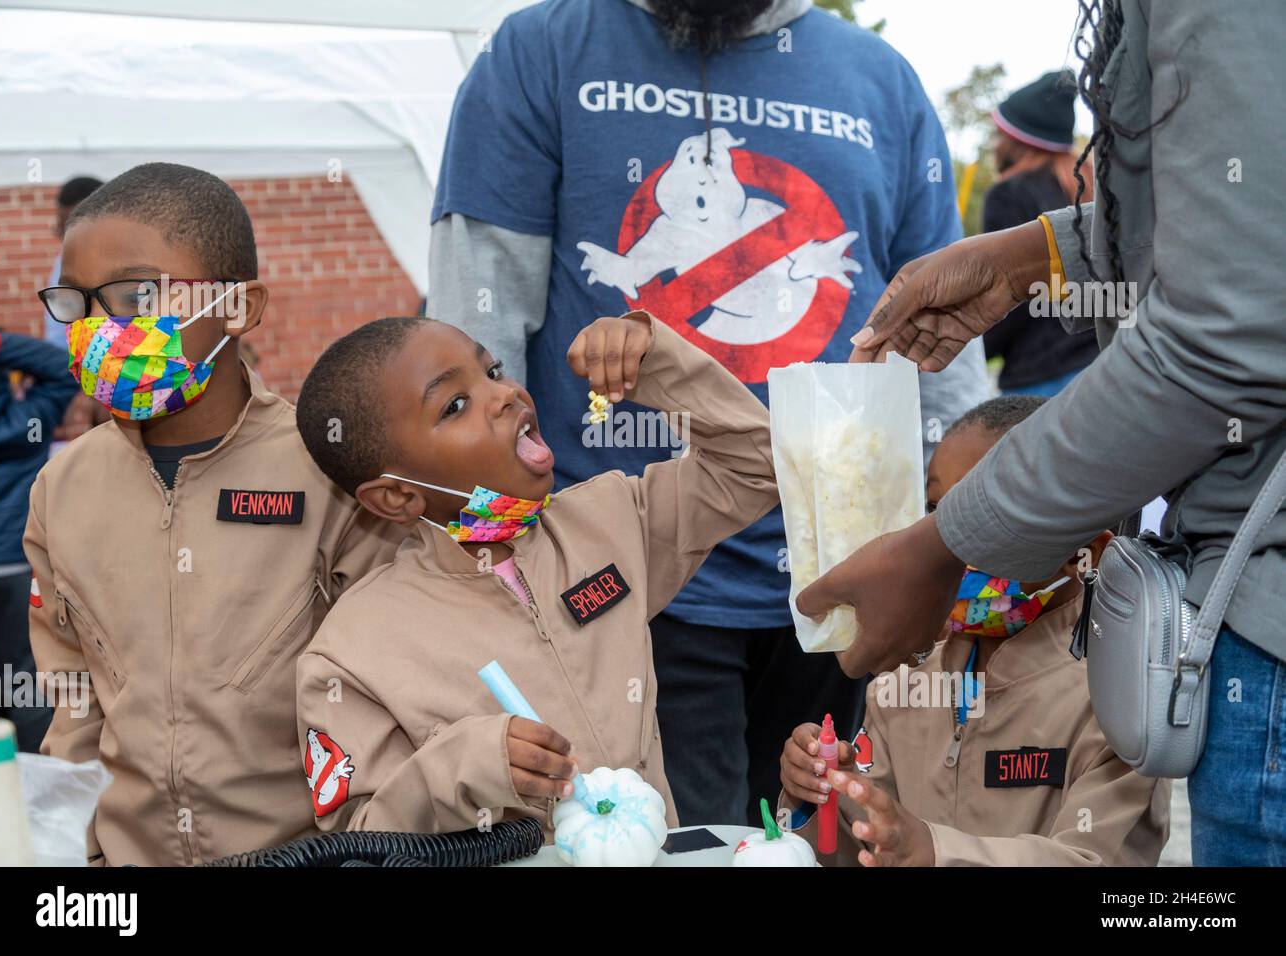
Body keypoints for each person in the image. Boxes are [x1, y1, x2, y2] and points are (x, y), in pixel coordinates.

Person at [427, 0, 989, 828]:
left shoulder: (882, 81)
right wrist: (500, 558)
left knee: (827, 841)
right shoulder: (543, 50)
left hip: (854, 577)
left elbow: (947, 351)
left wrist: (956, 539)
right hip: (633, 578)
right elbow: (477, 325)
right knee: (680, 844)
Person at [798, 0, 1286, 866]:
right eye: (936, 502)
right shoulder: (913, 682)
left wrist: (942, 546)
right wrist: (1039, 255)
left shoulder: (1095, 692)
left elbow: (1234, 329)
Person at [24, 162, 403, 866]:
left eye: (138, 295)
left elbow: (393, 695)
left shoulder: (329, 471)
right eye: (76, 302)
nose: (101, 329)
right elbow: (74, 702)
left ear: (240, 307)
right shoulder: (63, 488)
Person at [293, 309, 776, 834]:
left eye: (493, 371)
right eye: (455, 405)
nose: (504, 395)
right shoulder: (351, 653)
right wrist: (461, 766)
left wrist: (656, 363)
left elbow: (756, 466)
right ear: (395, 496)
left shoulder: (611, 521)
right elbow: (357, 841)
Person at [779, 396, 1170, 866]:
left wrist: (936, 852)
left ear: (1081, 551)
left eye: (982, 519)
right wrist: (824, 794)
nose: (945, 545)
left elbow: (1095, 861)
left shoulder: (1118, 698)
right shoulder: (903, 681)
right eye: (935, 511)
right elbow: (860, 851)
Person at [0, 329, 77, 751]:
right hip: (17, 568)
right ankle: (35, 793)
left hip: (10, 566)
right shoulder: (28, 423)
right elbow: (64, 369)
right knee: (24, 682)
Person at [981, 71, 1098, 396]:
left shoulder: (1009, 194)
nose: (994, 143)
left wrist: (976, 351)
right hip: (1101, 367)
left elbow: (1007, 293)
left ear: (1016, 141)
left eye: (998, 134)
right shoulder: (1089, 189)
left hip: (1039, 377)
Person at [43, 176, 109, 445]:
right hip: (66, 372)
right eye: (59, 226)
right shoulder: (65, 261)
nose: (59, 233)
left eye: (67, 225)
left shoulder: (116, 267)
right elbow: (60, 335)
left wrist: (88, 390)